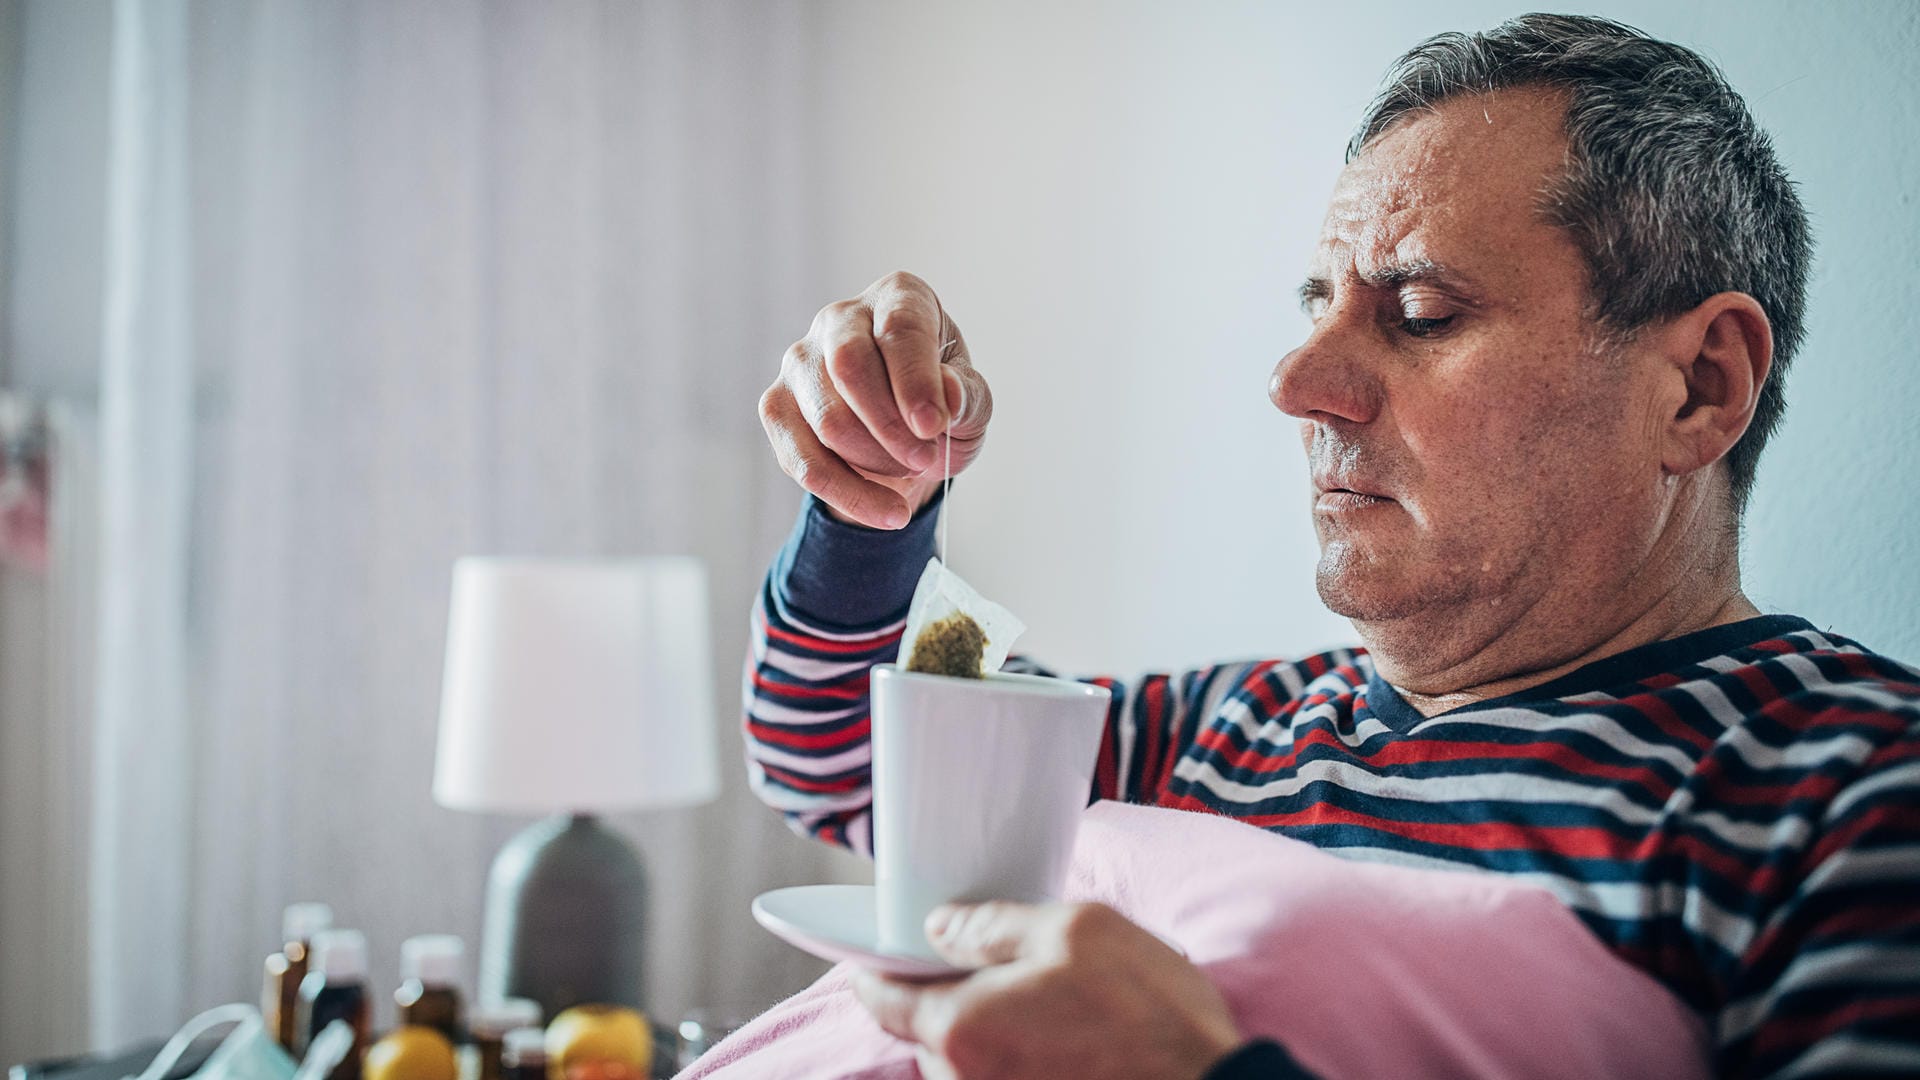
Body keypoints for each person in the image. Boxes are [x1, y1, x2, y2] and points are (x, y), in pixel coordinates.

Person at [747, 13, 1919, 1080]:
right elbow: (838, 760)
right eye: (1318, 306)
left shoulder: (1850, 797)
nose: (1297, 384)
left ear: (1698, 388)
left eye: (1421, 315)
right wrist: (869, 503)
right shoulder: (1216, 739)